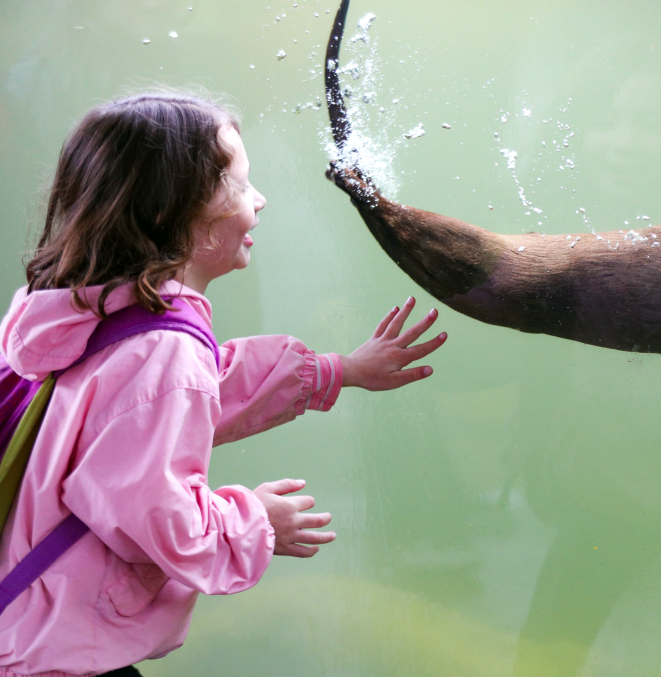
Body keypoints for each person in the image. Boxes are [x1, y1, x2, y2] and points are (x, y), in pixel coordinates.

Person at [0, 91, 446, 677]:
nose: (258, 201)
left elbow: (180, 396)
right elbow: (157, 513)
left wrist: (339, 371)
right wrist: (255, 521)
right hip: (62, 649)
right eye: (238, 185)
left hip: (27, 616)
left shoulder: (86, 312)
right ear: (171, 211)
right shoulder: (163, 353)